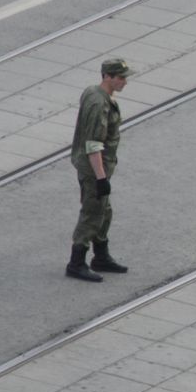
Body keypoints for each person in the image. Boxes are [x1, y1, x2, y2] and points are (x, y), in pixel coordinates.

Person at [66, 57, 131, 282]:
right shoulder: (98, 103)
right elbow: (93, 144)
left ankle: (101, 257)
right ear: (107, 77)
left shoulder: (97, 94)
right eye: (120, 77)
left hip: (100, 167)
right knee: (92, 214)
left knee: (105, 211)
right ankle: (76, 262)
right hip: (94, 169)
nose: (124, 82)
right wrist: (101, 178)